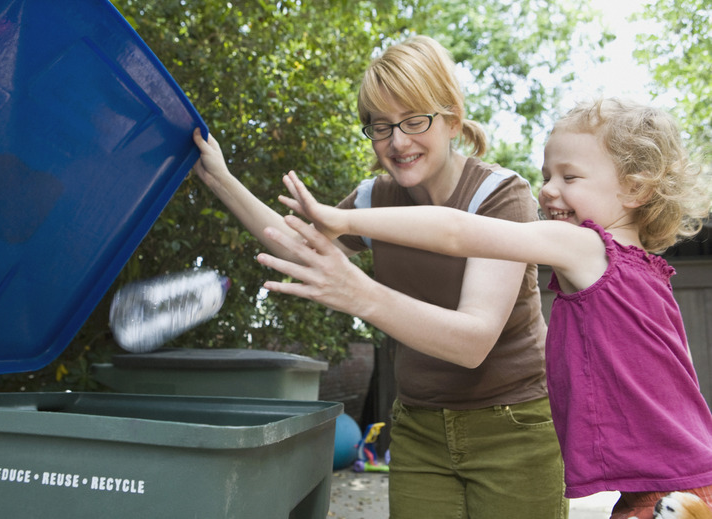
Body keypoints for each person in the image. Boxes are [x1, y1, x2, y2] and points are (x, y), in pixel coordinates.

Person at [257, 97, 712, 519]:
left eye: (569, 177)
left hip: (670, 494)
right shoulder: (652, 273)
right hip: (686, 483)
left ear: (634, 189)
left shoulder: (587, 246)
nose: (549, 190)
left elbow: (457, 231)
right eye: (547, 175)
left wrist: (344, 219)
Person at [193, 35, 567, 518]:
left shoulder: (499, 196)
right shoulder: (373, 200)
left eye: (415, 120)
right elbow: (301, 246)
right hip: (420, 426)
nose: (397, 141)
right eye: (381, 126)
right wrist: (220, 176)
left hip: (514, 424)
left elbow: (473, 342)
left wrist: (360, 294)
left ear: (452, 118)